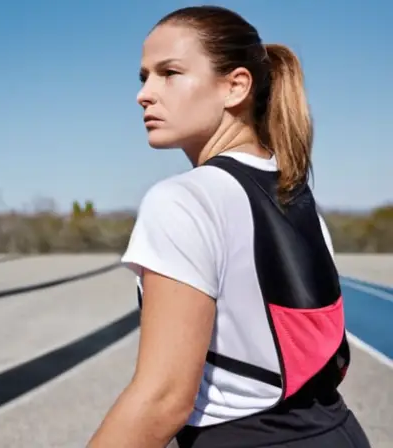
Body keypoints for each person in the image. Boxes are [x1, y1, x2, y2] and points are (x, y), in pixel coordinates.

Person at [87, 5, 371, 448]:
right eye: (143, 77)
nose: (144, 94)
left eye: (170, 73)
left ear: (235, 86)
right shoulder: (296, 194)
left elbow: (162, 398)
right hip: (341, 432)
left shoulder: (182, 200)